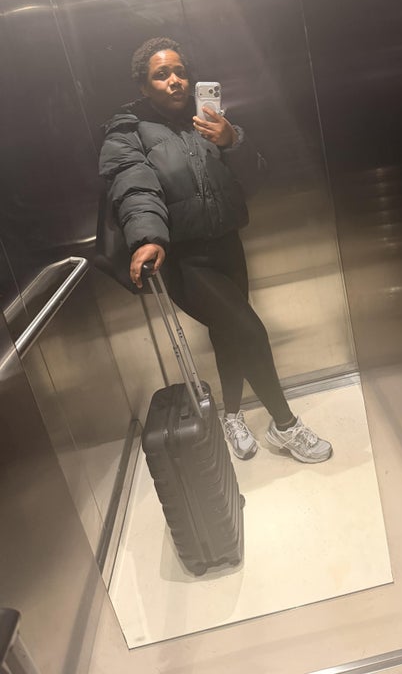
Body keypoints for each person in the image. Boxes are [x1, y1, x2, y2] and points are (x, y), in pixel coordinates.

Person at [98, 37, 332, 464]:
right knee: (250, 330)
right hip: (184, 259)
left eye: (180, 71)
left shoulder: (209, 119)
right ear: (144, 86)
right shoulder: (128, 132)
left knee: (228, 333)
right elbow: (134, 187)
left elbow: (255, 180)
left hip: (228, 246)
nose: (174, 80)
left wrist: (232, 141)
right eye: (161, 75)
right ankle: (284, 426)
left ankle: (232, 415)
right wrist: (148, 237)